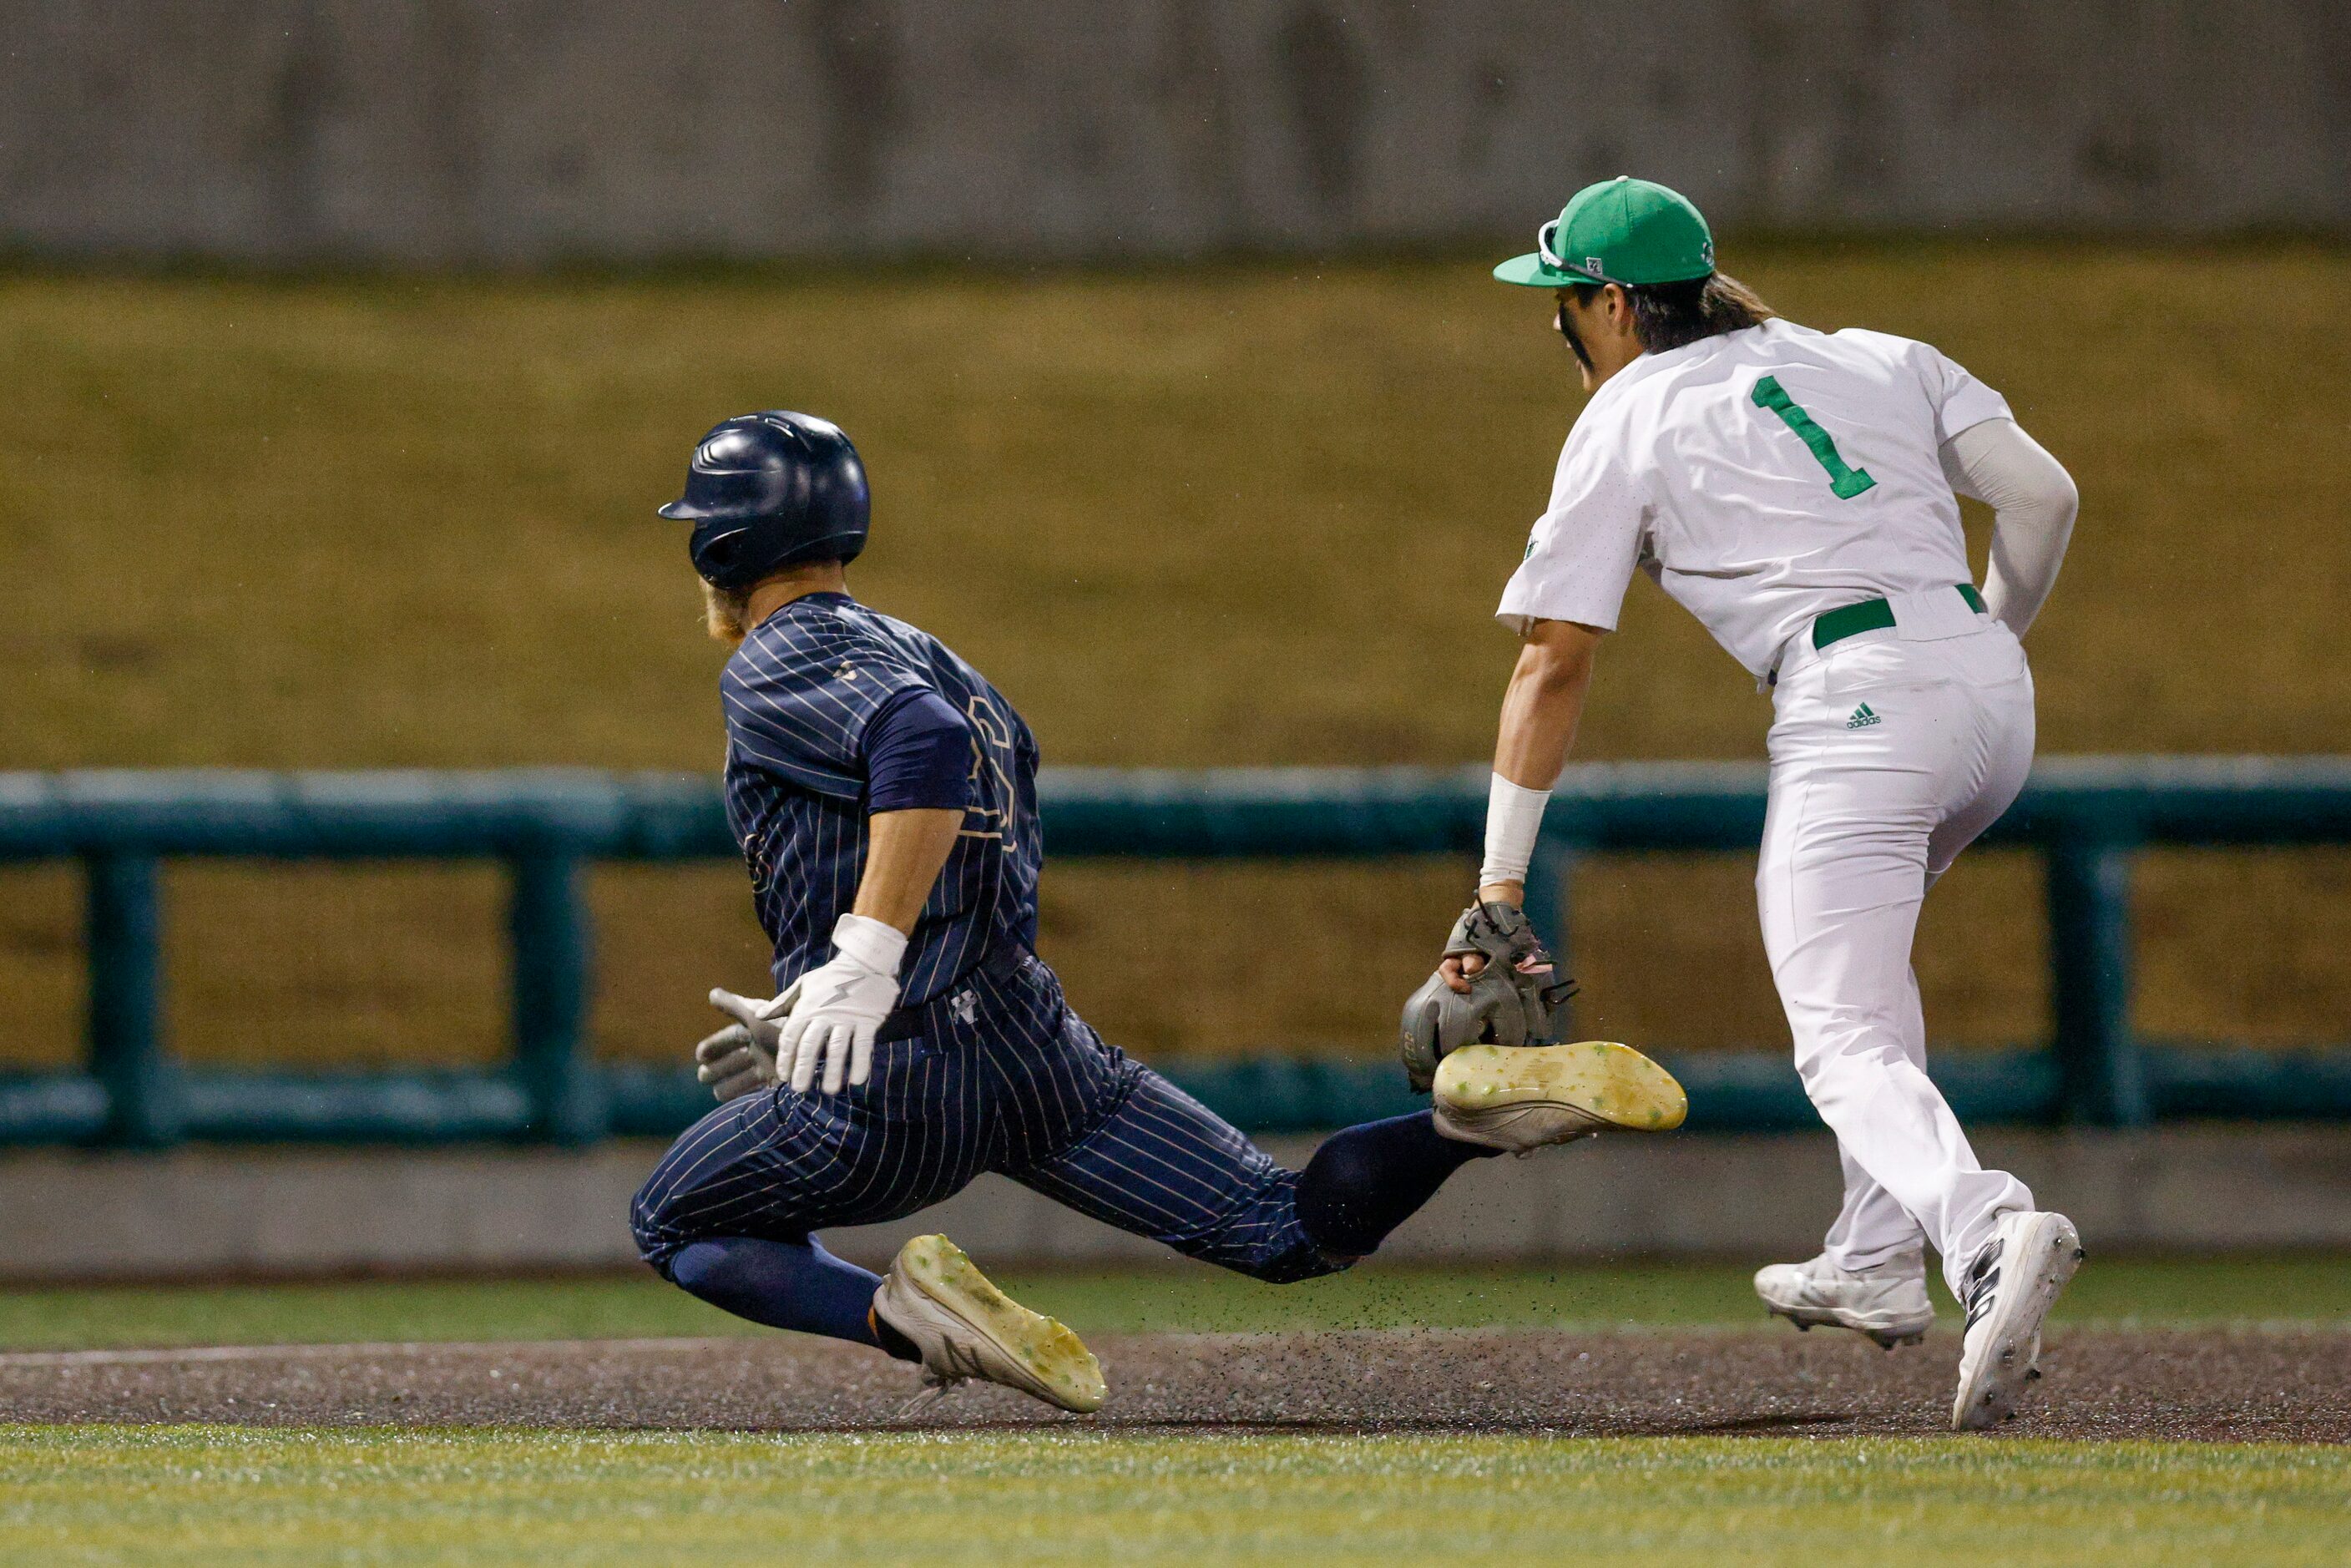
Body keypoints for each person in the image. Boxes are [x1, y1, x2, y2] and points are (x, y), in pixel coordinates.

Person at [629, 410, 1687, 1414]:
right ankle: (1460, 1123)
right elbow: (950, 795)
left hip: (900, 1078)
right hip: (1031, 1047)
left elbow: (920, 749)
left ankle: (898, 1314)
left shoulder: (782, 655)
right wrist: (812, 997)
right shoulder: (936, 654)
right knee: (1288, 1230)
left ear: (719, 545)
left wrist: (862, 964)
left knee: (672, 1218)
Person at [1432, 177, 2086, 1430]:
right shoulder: (1877, 354)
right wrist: (1978, 644)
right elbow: (2044, 496)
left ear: (1614, 301)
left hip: (1854, 700)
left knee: (1836, 1029)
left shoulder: (1627, 412)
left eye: (1565, 299)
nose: (1560, 325)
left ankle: (1988, 1229)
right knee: (1868, 980)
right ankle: (1877, 1252)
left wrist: (1497, 885)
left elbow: (1551, 658)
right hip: (1985, 685)